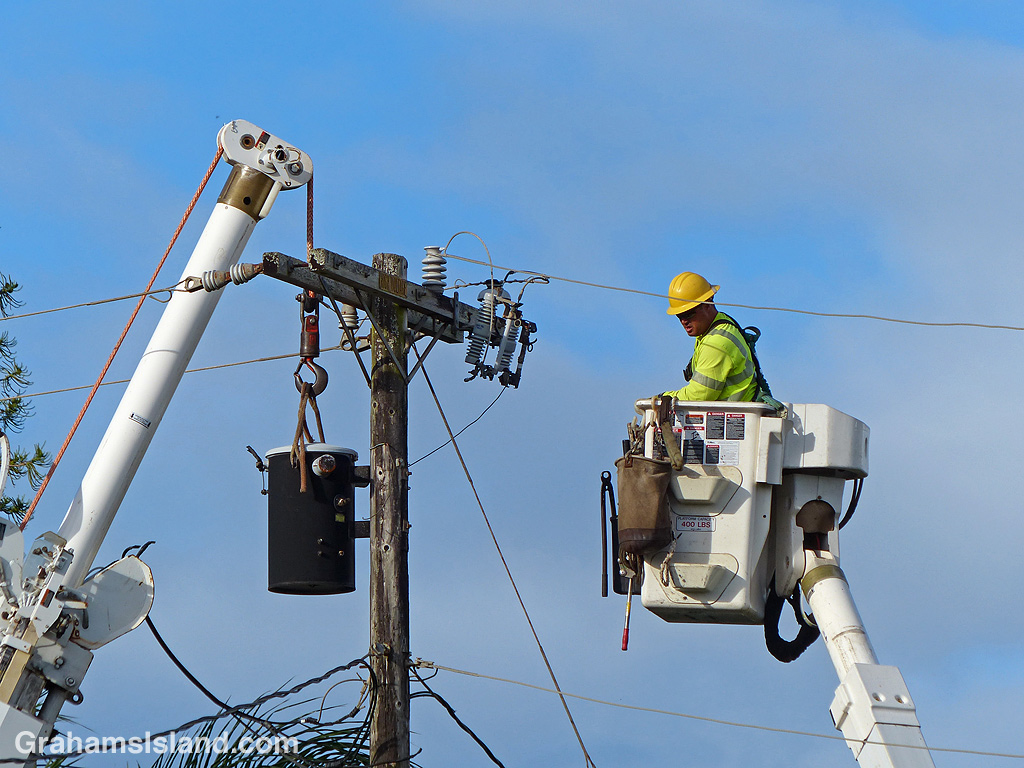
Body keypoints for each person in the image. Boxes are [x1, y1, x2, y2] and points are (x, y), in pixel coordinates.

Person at [663, 272, 757, 402]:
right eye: (679, 316)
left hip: (737, 418)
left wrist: (663, 398)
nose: (684, 321)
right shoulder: (713, 327)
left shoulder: (717, 342)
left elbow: (698, 396)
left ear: (707, 304)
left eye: (689, 314)